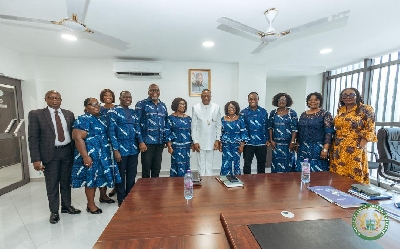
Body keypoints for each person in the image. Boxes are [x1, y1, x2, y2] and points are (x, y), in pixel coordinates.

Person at [28, 90, 81, 224]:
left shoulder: (69, 114)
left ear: (61, 100)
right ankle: (54, 211)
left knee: (65, 182)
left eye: (57, 98)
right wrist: (35, 159)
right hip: (49, 154)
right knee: (52, 184)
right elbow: (33, 138)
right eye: (51, 98)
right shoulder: (36, 114)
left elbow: (73, 134)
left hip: (67, 152)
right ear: (46, 99)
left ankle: (66, 206)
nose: (55, 100)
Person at [71, 98, 121, 213]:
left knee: (103, 175)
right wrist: (85, 156)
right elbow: (77, 137)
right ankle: (91, 204)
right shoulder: (83, 119)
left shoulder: (102, 118)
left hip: (104, 154)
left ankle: (103, 196)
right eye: (92, 105)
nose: (96, 106)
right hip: (91, 154)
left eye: (97, 104)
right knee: (91, 179)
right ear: (86, 107)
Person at [330, 88, 377, 184]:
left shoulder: (365, 109)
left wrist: (359, 146)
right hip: (338, 147)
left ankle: (355, 198)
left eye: (351, 95)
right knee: (338, 174)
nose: (348, 97)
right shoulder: (341, 110)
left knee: (355, 174)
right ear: (341, 98)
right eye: (345, 95)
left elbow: (370, 129)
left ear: (357, 96)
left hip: (354, 147)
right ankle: (338, 197)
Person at [109, 91, 141, 206]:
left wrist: (141, 142)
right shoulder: (114, 112)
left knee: (132, 174)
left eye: (129, 97)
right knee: (121, 173)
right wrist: (116, 150)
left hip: (133, 148)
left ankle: (130, 196)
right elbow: (111, 132)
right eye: (125, 97)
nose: (128, 99)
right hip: (121, 148)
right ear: (120, 98)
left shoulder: (133, 112)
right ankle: (121, 198)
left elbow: (138, 129)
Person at [135, 84, 168, 178]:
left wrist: (165, 139)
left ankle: (155, 190)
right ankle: (146, 191)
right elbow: (136, 123)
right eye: (152, 90)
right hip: (147, 142)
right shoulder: (141, 104)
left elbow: (165, 123)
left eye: (157, 90)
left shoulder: (163, 106)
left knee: (157, 168)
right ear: (148, 92)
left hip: (160, 142)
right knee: (146, 169)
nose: (154, 92)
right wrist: (140, 141)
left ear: (159, 92)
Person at [295, 92, 334, 172]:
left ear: (320, 101)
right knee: (303, 172)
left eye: (316, 100)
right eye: (310, 100)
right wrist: (297, 144)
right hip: (303, 148)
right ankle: (305, 185)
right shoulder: (303, 114)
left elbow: (329, 132)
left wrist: (325, 149)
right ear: (307, 102)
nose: (313, 101)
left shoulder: (325, 114)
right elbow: (300, 130)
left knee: (317, 172)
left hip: (318, 148)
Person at [191, 89, 221, 176]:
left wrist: (217, 139)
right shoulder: (196, 108)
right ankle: (202, 185)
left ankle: (209, 186)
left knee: (209, 165)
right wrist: (195, 141)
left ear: (211, 97)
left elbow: (218, 125)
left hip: (212, 141)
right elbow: (194, 127)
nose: (206, 98)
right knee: (201, 165)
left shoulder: (216, 107)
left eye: (208, 96)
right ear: (201, 97)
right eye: (204, 96)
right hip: (200, 141)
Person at [240, 92, 269, 174]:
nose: (253, 100)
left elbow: (267, 126)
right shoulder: (243, 113)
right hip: (248, 143)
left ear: (258, 99)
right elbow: (242, 128)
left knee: (261, 164)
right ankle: (247, 183)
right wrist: (242, 142)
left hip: (262, 143)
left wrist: (267, 139)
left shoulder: (263, 112)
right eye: (251, 99)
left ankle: (261, 183)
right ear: (248, 100)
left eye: (255, 99)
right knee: (247, 164)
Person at [268, 93, 298, 173]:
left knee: (288, 164)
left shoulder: (292, 113)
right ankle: (276, 183)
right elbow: (270, 127)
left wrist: (292, 142)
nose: (282, 101)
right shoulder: (273, 113)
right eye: (280, 100)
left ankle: (288, 184)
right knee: (276, 165)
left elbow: (295, 129)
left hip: (288, 144)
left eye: (284, 100)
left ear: (287, 101)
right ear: (276, 101)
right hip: (276, 144)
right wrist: (271, 140)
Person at [219, 101, 248, 175]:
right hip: (226, 145)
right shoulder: (223, 119)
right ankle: (225, 179)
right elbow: (220, 133)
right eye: (229, 107)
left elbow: (243, 133)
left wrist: (242, 145)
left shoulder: (240, 119)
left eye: (233, 107)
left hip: (237, 145)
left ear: (236, 108)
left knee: (236, 163)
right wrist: (220, 144)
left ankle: (237, 181)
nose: (231, 109)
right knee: (226, 162)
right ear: (226, 109)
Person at [165, 98, 192, 177]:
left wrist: (192, 143)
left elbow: (192, 132)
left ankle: (186, 185)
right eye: (180, 104)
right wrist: (169, 146)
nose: (182, 106)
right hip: (176, 147)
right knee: (175, 166)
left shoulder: (188, 119)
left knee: (186, 166)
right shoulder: (171, 118)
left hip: (186, 147)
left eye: (184, 104)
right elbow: (167, 133)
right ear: (176, 105)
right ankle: (175, 187)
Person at [99, 88, 118, 199]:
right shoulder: (99, 109)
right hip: (103, 142)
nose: (108, 97)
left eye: (110, 95)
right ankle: (103, 194)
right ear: (102, 97)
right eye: (105, 95)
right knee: (104, 168)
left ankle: (116, 188)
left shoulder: (117, 109)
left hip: (116, 142)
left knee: (117, 167)